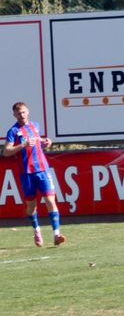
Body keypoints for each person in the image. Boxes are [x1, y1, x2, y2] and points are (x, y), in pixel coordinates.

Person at [3, 102, 66, 247]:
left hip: (43, 169)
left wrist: (46, 142)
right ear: (14, 115)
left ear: (28, 112)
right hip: (27, 173)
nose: (22, 115)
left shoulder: (35, 126)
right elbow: (6, 152)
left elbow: (38, 143)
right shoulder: (13, 131)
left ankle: (57, 235)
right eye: (19, 113)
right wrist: (22, 145)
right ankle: (36, 230)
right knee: (31, 206)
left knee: (51, 201)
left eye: (24, 112)